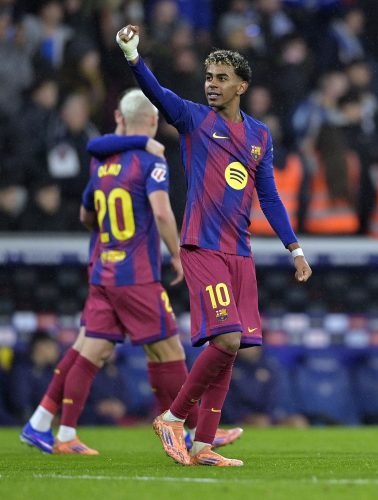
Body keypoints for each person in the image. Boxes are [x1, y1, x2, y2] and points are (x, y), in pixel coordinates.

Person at [115, 24, 312, 467]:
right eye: (208, 77)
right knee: (226, 337)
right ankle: (172, 418)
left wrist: (294, 249)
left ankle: (203, 445)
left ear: (242, 86)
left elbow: (269, 197)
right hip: (201, 245)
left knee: (232, 346)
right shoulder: (193, 119)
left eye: (222, 78)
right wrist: (132, 55)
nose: (212, 84)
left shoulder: (260, 136)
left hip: (239, 251)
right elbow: (157, 92)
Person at [19, 93, 241, 455]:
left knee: (92, 349)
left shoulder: (102, 162)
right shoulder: (150, 160)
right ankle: (190, 429)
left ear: (121, 119)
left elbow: (86, 215)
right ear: (153, 121)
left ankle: (53, 428)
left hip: (105, 268)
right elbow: (162, 213)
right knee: (167, 350)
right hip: (136, 275)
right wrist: (178, 255)